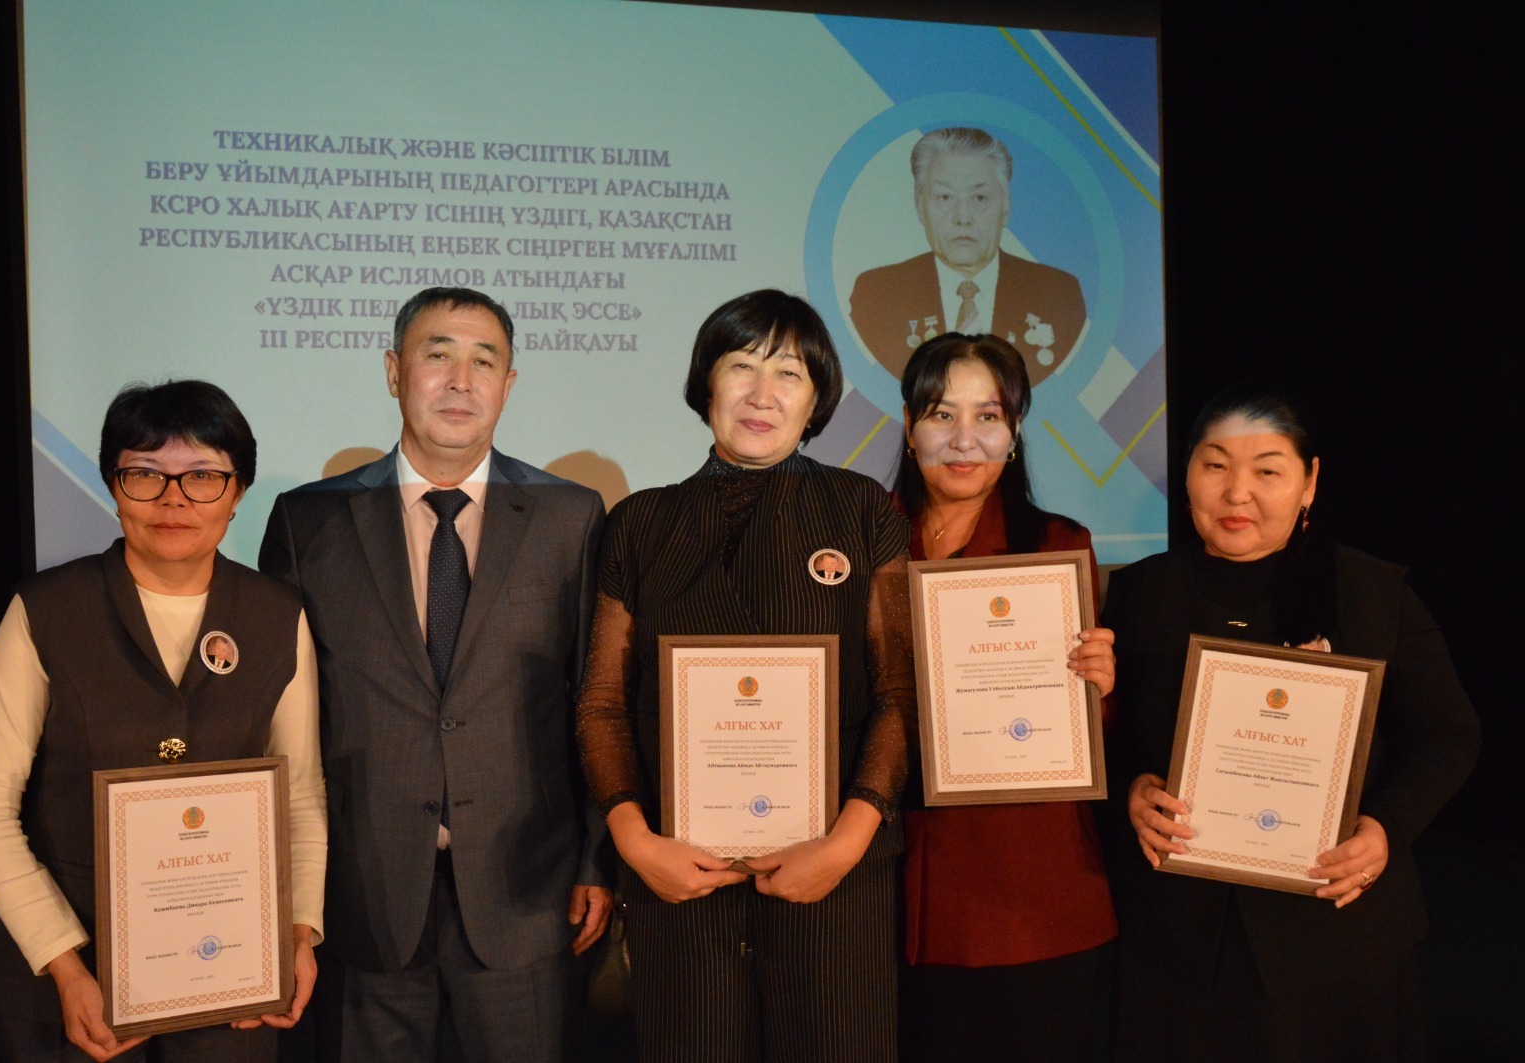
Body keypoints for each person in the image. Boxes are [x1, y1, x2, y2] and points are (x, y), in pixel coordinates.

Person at [259, 287, 612, 1061]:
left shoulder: (571, 516)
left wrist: (596, 858)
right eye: (437, 354)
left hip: (528, 890)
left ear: (508, 384)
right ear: (394, 371)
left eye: (484, 361)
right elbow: (280, 723)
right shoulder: (307, 520)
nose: (460, 381)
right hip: (362, 892)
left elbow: (595, 700)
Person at [576, 289, 914, 1061]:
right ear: (707, 383)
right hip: (680, 875)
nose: (763, 393)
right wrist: (636, 841)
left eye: (789, 373)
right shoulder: (639, 523)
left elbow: (899, 692)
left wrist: (847, 840)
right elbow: (601, 703)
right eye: (741, 366)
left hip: (835, 873)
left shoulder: (863, 511)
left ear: (817, 398)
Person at [0, 380, 326, 1062]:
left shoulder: (277, 614)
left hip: (228, 986)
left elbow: (300, 795)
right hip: (64, 989)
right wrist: (64, 964)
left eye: (203, 476)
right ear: (113, 485)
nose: (173, 499)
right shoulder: (45, 609)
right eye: (145, 474)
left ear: (238, 491)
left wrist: (298, 932)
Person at [1104, 385, 1480, 1061]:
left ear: (1309, 482)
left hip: (1335, 936)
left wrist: (1385, 828)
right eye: (1215, 465)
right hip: (1179, 942)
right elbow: (1111, 733)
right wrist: (1133, 788)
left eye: (1267, 470)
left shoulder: (1371, 592)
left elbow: (1449, 735)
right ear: (1186, 474)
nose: (1236, 492)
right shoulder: (1139, 591)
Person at [891, 333, 1117, 1062]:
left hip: (1030, 888)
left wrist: (1099, 688)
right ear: (909, 427)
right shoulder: (860, 544)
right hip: (887, 883)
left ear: (1015, 431)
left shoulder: (1055, 546)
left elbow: (1090, 736)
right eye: (941, 414)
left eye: (988, 416)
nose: (965, 439)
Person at [848, 127, 1087, 386]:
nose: (963, 217)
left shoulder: (1059, 295)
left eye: (980, 198)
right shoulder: (877, 294)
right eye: (945, 197)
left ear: (1005, 207)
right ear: (919, 205)